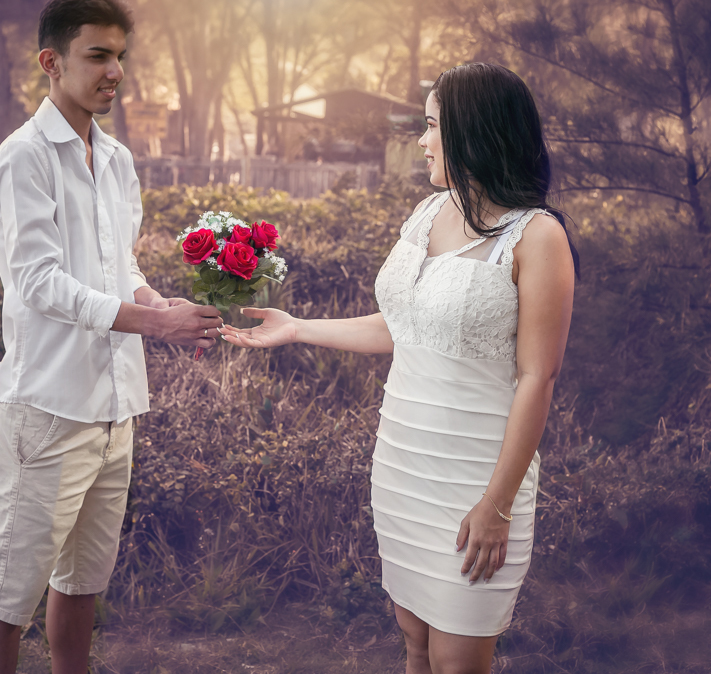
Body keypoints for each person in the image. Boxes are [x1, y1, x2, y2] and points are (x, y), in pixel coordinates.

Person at [222, 62, 577, 674]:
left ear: (474, 131)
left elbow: (536, 378)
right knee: (414, 643)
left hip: (478, 478)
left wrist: (497, 504)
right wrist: (298, 327)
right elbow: (405, 328)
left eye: (433, 124)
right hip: (404, 466)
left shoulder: (537, 237)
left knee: (456, 661)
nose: (421, 138)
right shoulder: (426, 214)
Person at [0, 0, 223, 674]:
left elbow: (120, 267)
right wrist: (152, 323)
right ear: (52, 62)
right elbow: (38, 282)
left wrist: (159, 301)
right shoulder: (22, 160)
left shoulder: (115, 159)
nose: (114, 70)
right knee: (9, 592)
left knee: (83, 580)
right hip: (46, 410)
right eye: (97, 56)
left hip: (115, 407)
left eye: (120, 56)